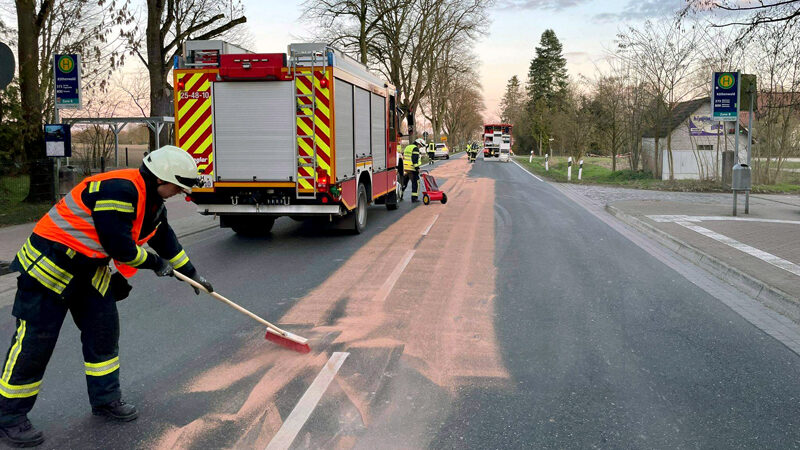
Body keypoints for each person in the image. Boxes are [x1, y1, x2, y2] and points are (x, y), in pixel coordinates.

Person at [0, 146, 213, 447]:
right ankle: (9, 418)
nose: (179, 192)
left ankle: (106, 399)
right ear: (159, 178)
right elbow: (120, 247)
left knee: (104, 333)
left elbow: (164, 238)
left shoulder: (152, 201)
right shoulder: (120, 190)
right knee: (35, 343)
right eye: (177, 186)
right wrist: (157, 265)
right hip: (49, 267)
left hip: (89, 268)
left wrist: (191, 273)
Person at [402, 138, 424, 203]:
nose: (420, 147)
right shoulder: (415, 148)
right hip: (412, 168)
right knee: (416, 183)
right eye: (421, 145)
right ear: (418, 143)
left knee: (404, 182)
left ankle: (400, 195)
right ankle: (414, 198)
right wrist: (417, 168)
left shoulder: (408, 147)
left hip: (405, 167)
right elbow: (414, 159)